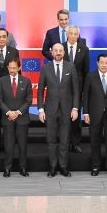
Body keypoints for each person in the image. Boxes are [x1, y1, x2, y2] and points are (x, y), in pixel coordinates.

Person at [37, 43, 80, 177]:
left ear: (64, 52)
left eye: (60, 50)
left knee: (64, 139)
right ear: (51, 52)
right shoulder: (45, 68)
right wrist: (40, 110)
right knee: (51, 139)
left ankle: (63, 167)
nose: (58, 52)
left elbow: (76, 90)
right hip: (50, 109)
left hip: (67, 109)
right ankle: (53, 167)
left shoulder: (70, 66)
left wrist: (75, 108)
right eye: (55, 50)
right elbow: (39, 91)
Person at [83, 54, 107, 177]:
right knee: (95, 141)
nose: (104, 65)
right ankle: (95, 166)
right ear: (97, 63)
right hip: (95, 114)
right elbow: (86, 96)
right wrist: (86, 113)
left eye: (106, 62)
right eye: (102, 62)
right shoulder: (90, 76)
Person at [0, 57, 32, 177]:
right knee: (8, 145)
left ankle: (23, 168)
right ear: (7, 68)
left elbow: (28, 100)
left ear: (19, 68)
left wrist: (17, 112)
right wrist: (8, 112)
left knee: (22, 145)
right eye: (10, 68)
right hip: (7, 118)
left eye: (14, 68)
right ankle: (7, 168)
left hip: (22, 119)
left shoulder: (26, 81)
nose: (12, 70)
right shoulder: (2, 81)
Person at [64, 25, 89, 154]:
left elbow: (86, 71)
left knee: (76, 116)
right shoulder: (60, 48)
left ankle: (75, 143)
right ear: (67, 34)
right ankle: (65, 142)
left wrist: (84, 89)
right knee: (64, 116)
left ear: (78, 35)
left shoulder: (84, 49)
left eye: (75, 34)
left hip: (78, 88)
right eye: (71, 33)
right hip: (63, 88)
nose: (73, 36)